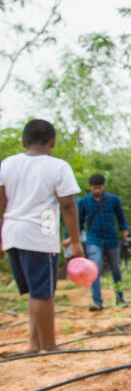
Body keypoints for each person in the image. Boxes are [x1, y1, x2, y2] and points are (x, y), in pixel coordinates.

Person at [0, 119, 83, 352]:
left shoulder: (7, 164)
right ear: (53, 142)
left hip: (12, 232)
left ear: (23, 141)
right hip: (39, 233)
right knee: (43, 293)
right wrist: (75, 242)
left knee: (35, 292)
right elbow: (67, 205)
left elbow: (1, 202)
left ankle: (33, 344)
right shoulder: (58, 167)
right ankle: (50, 345)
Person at [76, 173, 129, 311]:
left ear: (103, 186)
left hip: (111, 239)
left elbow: (121, 218)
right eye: (94, 188)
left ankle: (120, 297)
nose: (97, 190)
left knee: (116, 269)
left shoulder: (113, 200)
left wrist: (125, 232)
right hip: (93, 239)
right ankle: (97, 302)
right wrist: (75, 240)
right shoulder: (83, 202)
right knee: (94, 269)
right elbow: (78, 223)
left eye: (99, 188)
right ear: (90, 187)